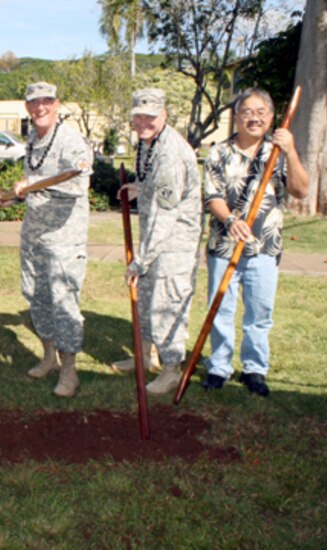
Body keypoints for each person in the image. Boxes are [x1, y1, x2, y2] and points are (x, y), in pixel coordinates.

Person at [201, 88, 309, 397]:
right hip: (224, 245)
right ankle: (219, 366)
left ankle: (254, 369)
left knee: (259, 313)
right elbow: (213, 197)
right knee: (220, 308)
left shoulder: (276, 152)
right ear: (236, 117)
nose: (254, 117)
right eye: (247, 111)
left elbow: (301, 191)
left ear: (272, 118)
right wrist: (231, 220)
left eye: (261, 112)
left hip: (264, 246)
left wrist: (291, 152)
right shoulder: (218, 152)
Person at [0, 81, 93, 398]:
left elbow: (76, 185)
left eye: (47, 101)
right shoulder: (33, 139)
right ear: (27, 107)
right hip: (35, 235)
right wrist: (16, 197)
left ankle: (69, 370)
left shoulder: (71, 140)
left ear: (57, 103)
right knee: (36, 296)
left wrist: (31, 184)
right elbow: (34, 185)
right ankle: (49, 356)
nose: (40, 107)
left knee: (63, 301)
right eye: (34, 102)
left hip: (63, 239)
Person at [114, 88, 203, 395]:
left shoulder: (170, 154)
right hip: (155, 240)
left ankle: (171, 369)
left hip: (173, 244)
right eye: (138, 116)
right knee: (148, 302)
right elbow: (154, 184)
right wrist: (138, 187)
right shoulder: (149, 144)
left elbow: (166, 216)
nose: (143, 122)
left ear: (163, 115)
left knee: (167, 304)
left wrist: (141, 260)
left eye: (150, 116)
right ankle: (144, 355)